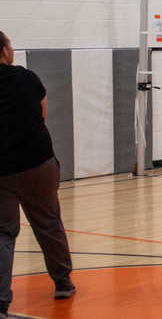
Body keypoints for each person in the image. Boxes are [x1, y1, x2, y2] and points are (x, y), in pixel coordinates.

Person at [0, 31, 74, 319]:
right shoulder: (25, 77)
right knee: (48, 222)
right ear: (4, 50)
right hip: (36, 162)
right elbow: (42, 114)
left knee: (3, 232)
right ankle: (63, 283)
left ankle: (1, 301)